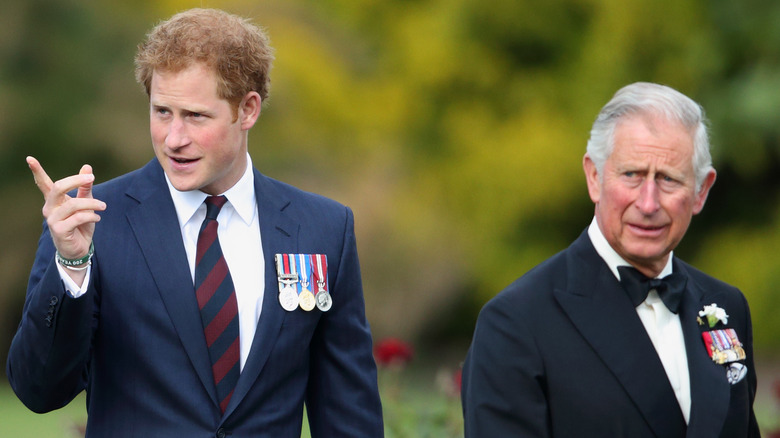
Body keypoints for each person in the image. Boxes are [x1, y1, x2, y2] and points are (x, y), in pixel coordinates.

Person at [7, 8, 383, 437]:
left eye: (195, 116)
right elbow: (38, 391)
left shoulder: (323, 229)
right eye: (162, 111)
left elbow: (349, 416)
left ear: (248, 110)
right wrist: (72, 266)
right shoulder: (91, 222)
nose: (174, 138)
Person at [462, 82, 759, 437]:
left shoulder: (726, 307)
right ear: (594, 177)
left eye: (668, 179)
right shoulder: (516, 323)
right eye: (632, 174)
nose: (648, 204)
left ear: (700, 192)